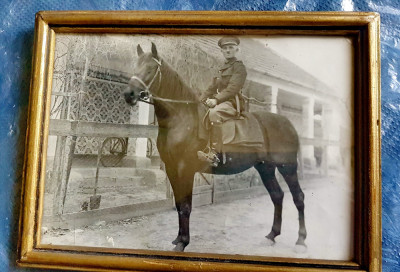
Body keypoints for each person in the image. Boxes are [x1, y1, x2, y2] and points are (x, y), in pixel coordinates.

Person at [197, 36, 247, 167]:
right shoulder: (221, 69)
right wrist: (200, 99)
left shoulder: (239, 67)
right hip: (219, 101)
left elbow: (232, 88)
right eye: (225, 48)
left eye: (231, 48)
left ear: (237, 49)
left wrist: (216, 100)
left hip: (232, 102)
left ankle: (215, 153)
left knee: (214, 113)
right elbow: (211, 87)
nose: (228, 50)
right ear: (221, 51)